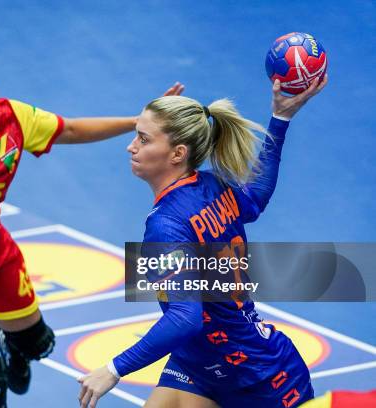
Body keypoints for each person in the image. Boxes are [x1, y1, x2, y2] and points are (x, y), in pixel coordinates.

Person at [0, 18, 183, 408]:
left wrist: (137, 123)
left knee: (40, 344)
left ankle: (10, 341)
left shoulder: (12, 119)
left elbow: (70, 129)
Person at [78, 76, 328, 408]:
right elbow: (255, 199)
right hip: (197, 361)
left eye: (143, 138)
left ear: (177, 153)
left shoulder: (165, 226)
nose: (131, 146)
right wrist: (279, 119)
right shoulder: (209, 184)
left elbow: (185, 316)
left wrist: (113, 369)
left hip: (258, 379)